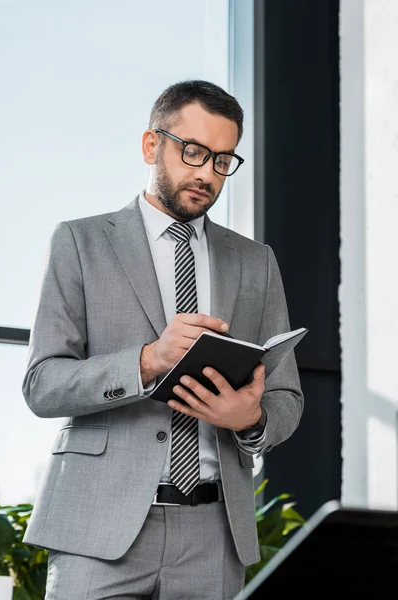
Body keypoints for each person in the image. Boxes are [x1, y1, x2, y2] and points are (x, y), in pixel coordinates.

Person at [22, 79, 304, 600]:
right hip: (97, 529)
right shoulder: (80, 241)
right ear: (152, 145)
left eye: (222, 160)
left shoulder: (255, 261)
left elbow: (286, 395)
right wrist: (148, 360)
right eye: (193, 151)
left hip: (214, 535)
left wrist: (252, 421)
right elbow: (43, 384)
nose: (206, 173)